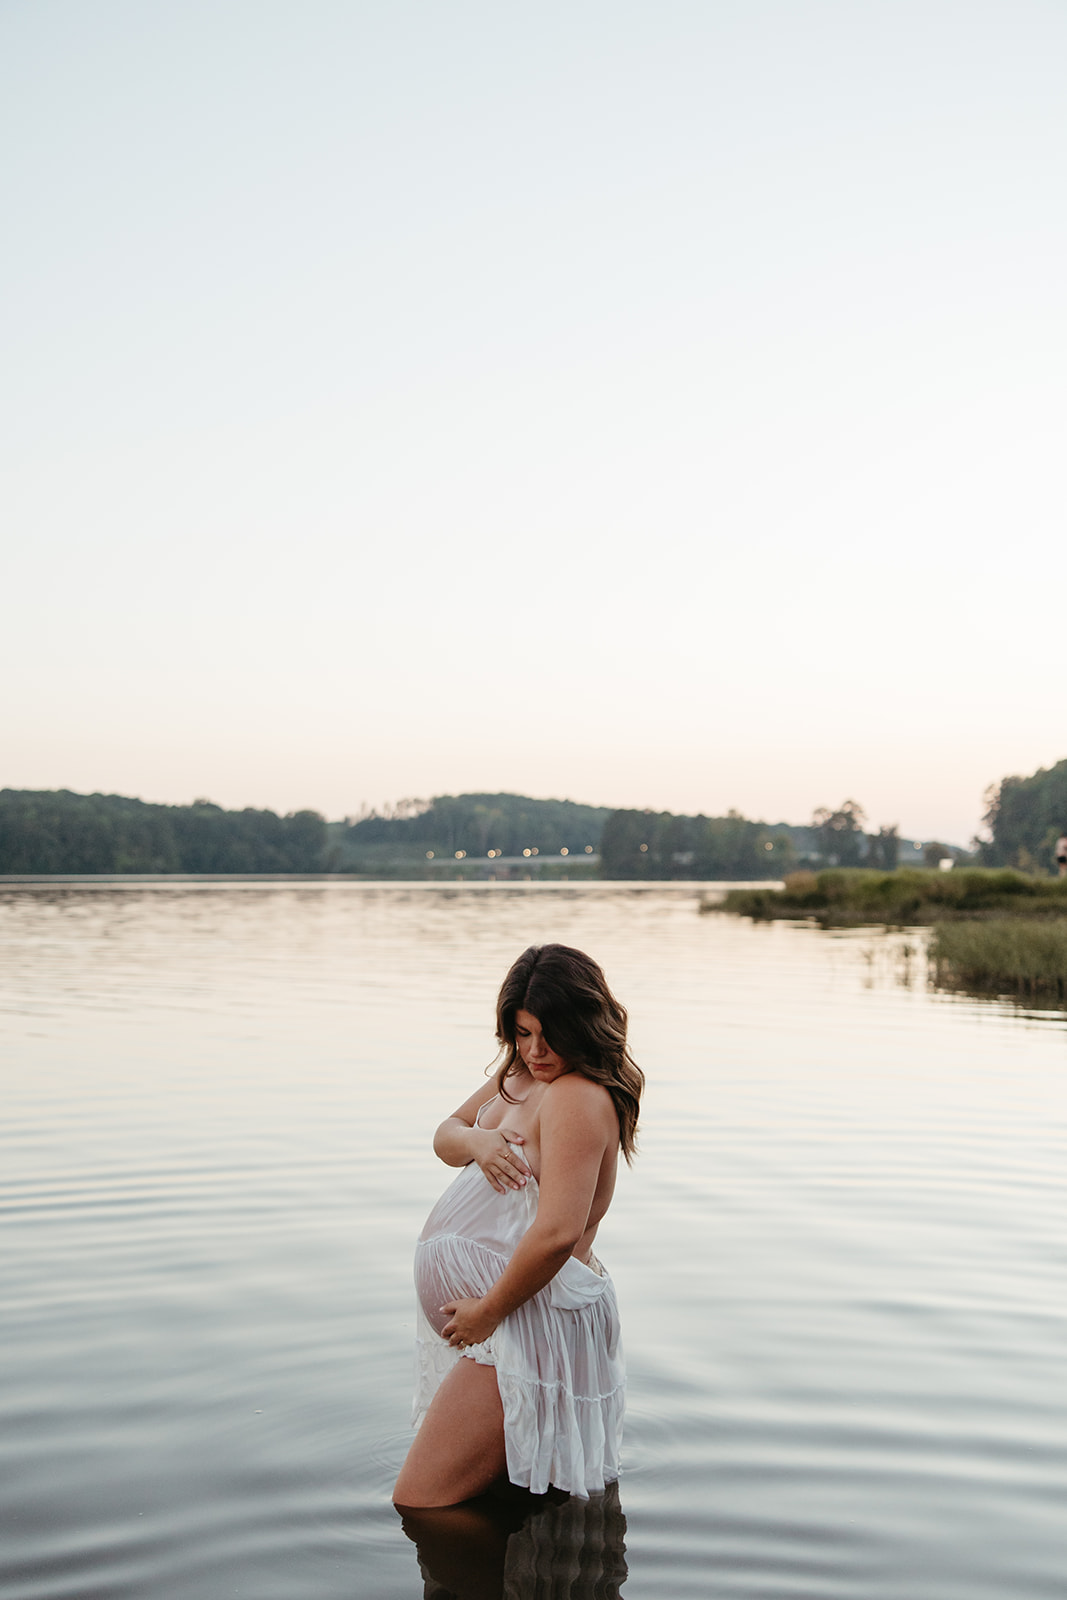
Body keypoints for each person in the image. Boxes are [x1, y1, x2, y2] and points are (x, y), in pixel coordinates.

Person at [393, 943, 643, 1509]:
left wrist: (488, 1311)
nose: (535, 1050)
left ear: (583, 1023)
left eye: (547, 1034)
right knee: (490, 1502)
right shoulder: (518, 1075)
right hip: (506, 1325)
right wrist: (477, 1142)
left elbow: (558, 1232)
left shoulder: (577, 1096)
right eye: (523, 1033)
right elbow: (445, 1134)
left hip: (523, 1322)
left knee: (422, 1503)